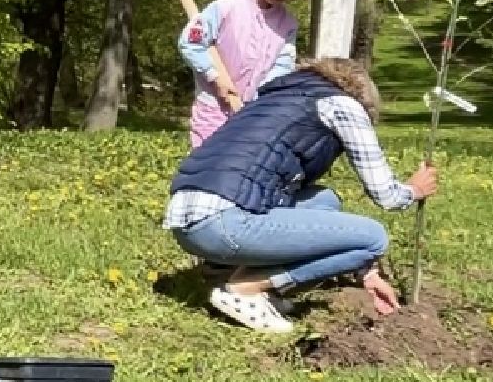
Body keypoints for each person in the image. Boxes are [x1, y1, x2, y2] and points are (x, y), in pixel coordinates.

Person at [162, 57, 439, 332]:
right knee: (373, 238)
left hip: (189, 222)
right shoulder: (344, 105)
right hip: (222, 225)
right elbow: (386, 195)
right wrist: (414, 190)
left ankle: (230, 272)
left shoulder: (275, 98)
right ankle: (246, 289)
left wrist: (366, 271)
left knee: (324, 200)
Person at [178, 0, 312, 147]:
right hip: (213, 107)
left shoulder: (288, 23)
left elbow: (282, 64)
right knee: (208, 159)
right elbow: (190, 43)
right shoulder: (226, 8)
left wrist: (262, 96)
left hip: (253, 109)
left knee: (243, 159)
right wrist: (215, 77)